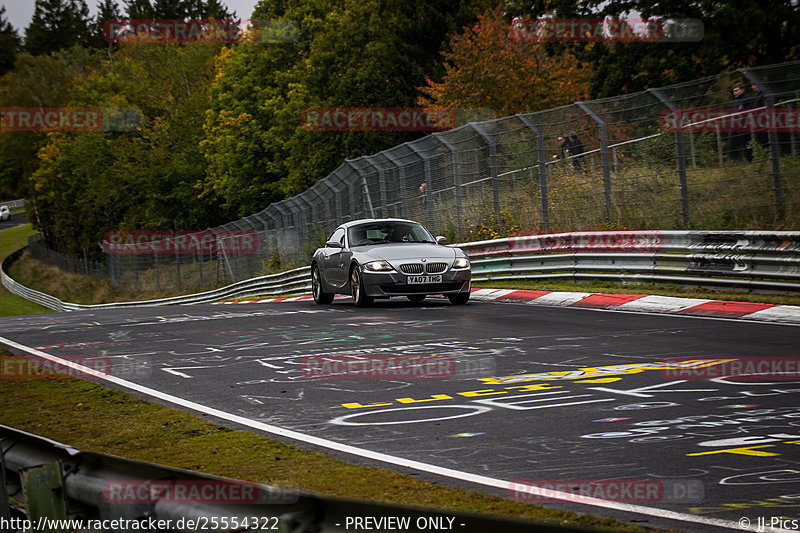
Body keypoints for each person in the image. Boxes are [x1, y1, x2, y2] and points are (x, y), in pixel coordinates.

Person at [727, 83, 753, 162]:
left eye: (736, 91)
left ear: (742, 90)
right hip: (734, 125)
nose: (734, 92)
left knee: (746, 144)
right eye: (733, 91)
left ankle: (750, 160)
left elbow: (751, 112)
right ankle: (734, 161)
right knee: (732, 143)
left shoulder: (747, 98)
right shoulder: (736, 101)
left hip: (744, 125)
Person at [750, 82, 769, 149]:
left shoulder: (763, 94)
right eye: (752, 85)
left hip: (763, 120)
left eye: (754, 84)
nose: (753, 87)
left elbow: (764, 108)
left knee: (765, 139)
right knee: (761, 139)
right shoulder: (757, 95)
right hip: (758, 121)